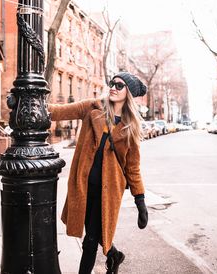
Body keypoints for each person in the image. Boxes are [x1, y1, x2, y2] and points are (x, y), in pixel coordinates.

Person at [48, 71, 148, 274]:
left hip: (108, 190)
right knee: (92, 232)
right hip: (83, 186)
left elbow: (132, 167)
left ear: (128, 93)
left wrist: (140, 200)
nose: (113, 87)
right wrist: (28, 103)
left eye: (119, 85)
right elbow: (59, 111)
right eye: (112, 83)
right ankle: (114, 255)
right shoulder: (92, 107)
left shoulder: (130, 127)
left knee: (91, 239)